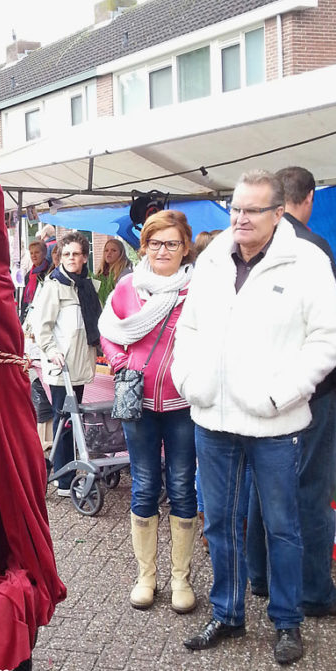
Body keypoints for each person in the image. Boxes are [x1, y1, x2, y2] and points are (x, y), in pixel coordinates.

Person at [174, 170, 336, 666]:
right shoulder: (213, 260)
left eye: (252, 210)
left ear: (278, 213)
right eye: (235, 208)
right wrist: (189, 381)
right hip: (212, 417)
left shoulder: (307, 260)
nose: (240, 218)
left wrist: (281, 396)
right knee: (220, 523)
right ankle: (227, 613)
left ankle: (286, 622)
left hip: (274, 423)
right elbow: (190, 327)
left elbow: (326, 341)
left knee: (284, 527)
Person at [100, 210, 199, 613]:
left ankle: (180, 579)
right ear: (144, 247)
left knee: (180, 485)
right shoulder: (127, 287)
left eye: (172, 243)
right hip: (137, 403)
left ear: (185, 247)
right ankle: (146, 576)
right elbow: (108, 330)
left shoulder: (197, 290)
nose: (163, 250)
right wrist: (122, 364)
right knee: (143, 485)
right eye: (156, 243)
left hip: (183, 404)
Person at [256, 166, 336, 616]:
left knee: (263, 487)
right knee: (309, 490)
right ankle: (313, 590)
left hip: (263, 389)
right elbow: (328, 332)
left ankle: (260, 577)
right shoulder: (314, 248)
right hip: (312, 391)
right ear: (305, 201)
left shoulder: (249, 247)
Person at [28, 233, 101, 497]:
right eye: (67, 254)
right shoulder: (54, 285)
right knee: (63, 420)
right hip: (62, 367)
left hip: (81, 364)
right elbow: (41, 325)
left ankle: (68, 471)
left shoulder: (86, 286)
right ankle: (63, 477)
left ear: (84, 257)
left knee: (74, 418)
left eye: (76, 254)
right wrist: (50, 351)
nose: (72, 258)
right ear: (60, 257)